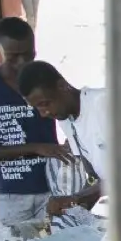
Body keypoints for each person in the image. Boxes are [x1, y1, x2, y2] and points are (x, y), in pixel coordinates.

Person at [0, 17, 72, 231]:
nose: (22, 63)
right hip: (13, 192)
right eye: (13, 56)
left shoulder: (44, 76)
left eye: (29, 54)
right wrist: (35, 148)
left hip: (54, 188)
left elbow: (70, 108)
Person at [17, 60, 108, 215]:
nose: (43, 113)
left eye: (45, 104)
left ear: (62, 86)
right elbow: (94, 177)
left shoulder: (103, 104)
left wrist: (76, 198)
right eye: (37, 108)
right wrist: (73, 212)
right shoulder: (66, 120)